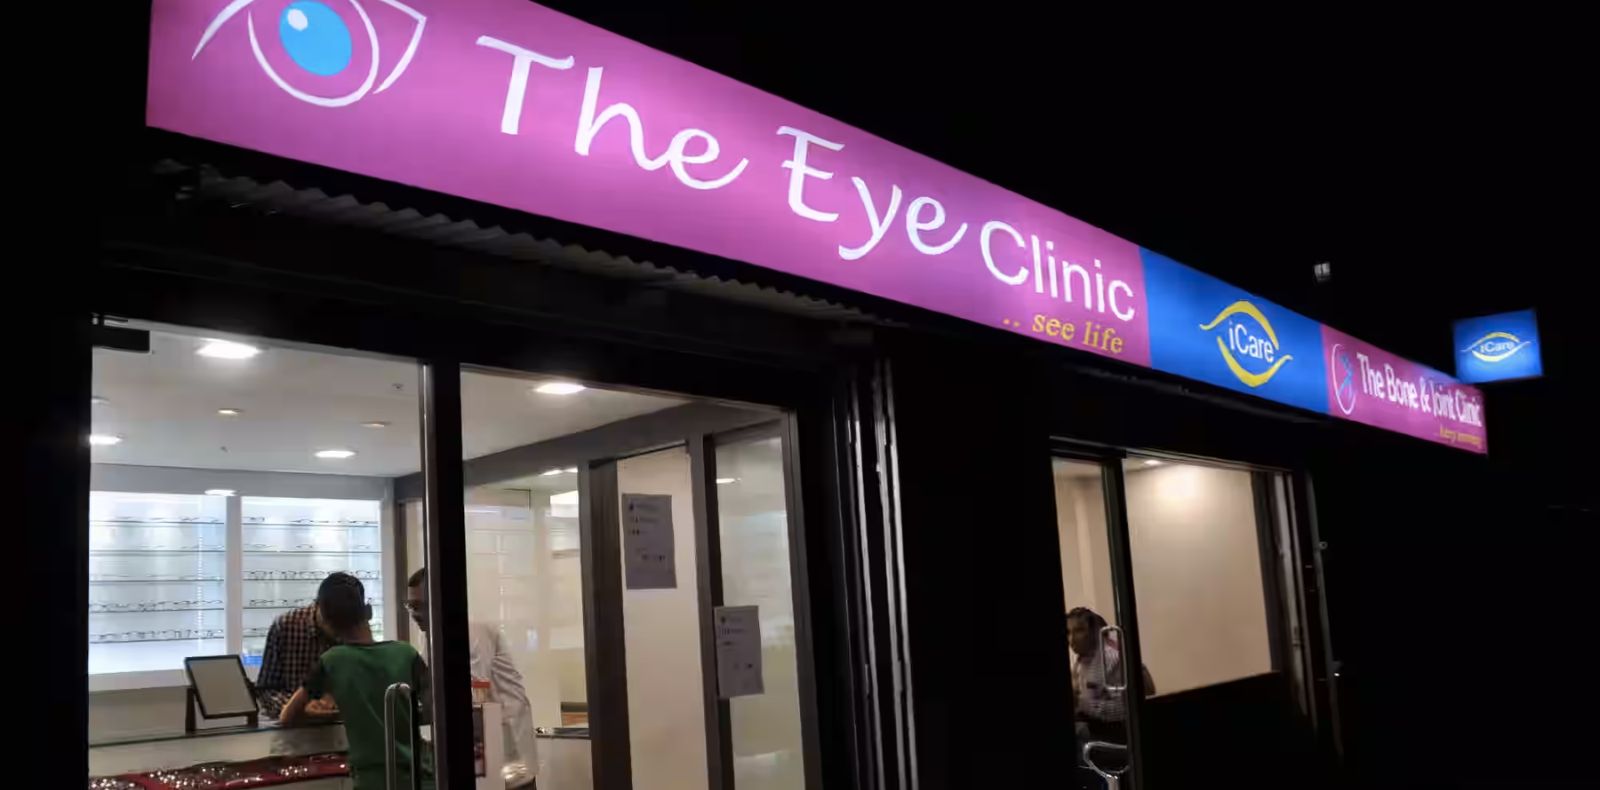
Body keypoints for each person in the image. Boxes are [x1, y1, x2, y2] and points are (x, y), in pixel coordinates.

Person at [281, 572, 433, 790]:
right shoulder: (406, 653)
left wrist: (340, 711)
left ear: (326, 620)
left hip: (373, 781)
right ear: (368, 611)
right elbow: (434, 711)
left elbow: (287, 716)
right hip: (422, 777)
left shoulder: (332, 661)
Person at [407, 568, 539, 786]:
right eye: (411, 606)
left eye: (420, 606)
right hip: (478, 747)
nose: (415, 614)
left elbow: (475, 692)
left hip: (506, 741)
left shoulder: (472, 629)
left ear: (440, 599)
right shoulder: (430, 635)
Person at [256, 578, 342, 719]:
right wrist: (297, 706)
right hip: (293, 723)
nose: (337, 631)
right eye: (331, 622)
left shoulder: (355, 630)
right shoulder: (286, 626)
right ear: (318, 605)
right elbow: (266, 690)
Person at [1066, 606, 1155, 742]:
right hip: (1098, 722)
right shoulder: (1082, 660)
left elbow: (1127, 709)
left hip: (1123, 731)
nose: (1071, 640)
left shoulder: (1111, 659)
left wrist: (1082, 704)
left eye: (1079, 631)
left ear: (1094, 632)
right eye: (1068, 632)